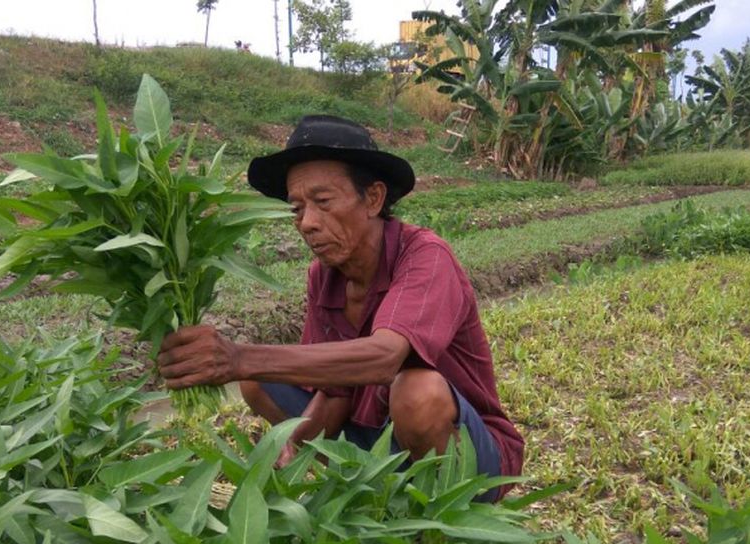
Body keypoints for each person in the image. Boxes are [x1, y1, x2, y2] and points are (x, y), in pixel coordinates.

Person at [156, 115, 523, 498]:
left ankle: (444, 512)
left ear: (374, 199)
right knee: (259, 381)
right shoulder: (324, 276)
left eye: (323, 202)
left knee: (417, 392)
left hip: (469, 453)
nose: (308, 223)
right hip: (381, 442)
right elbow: (334, 389)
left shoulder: (424, 256)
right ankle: (370, 490)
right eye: (297, 208)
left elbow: (385, 358)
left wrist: (237, 358)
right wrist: (295, 441)